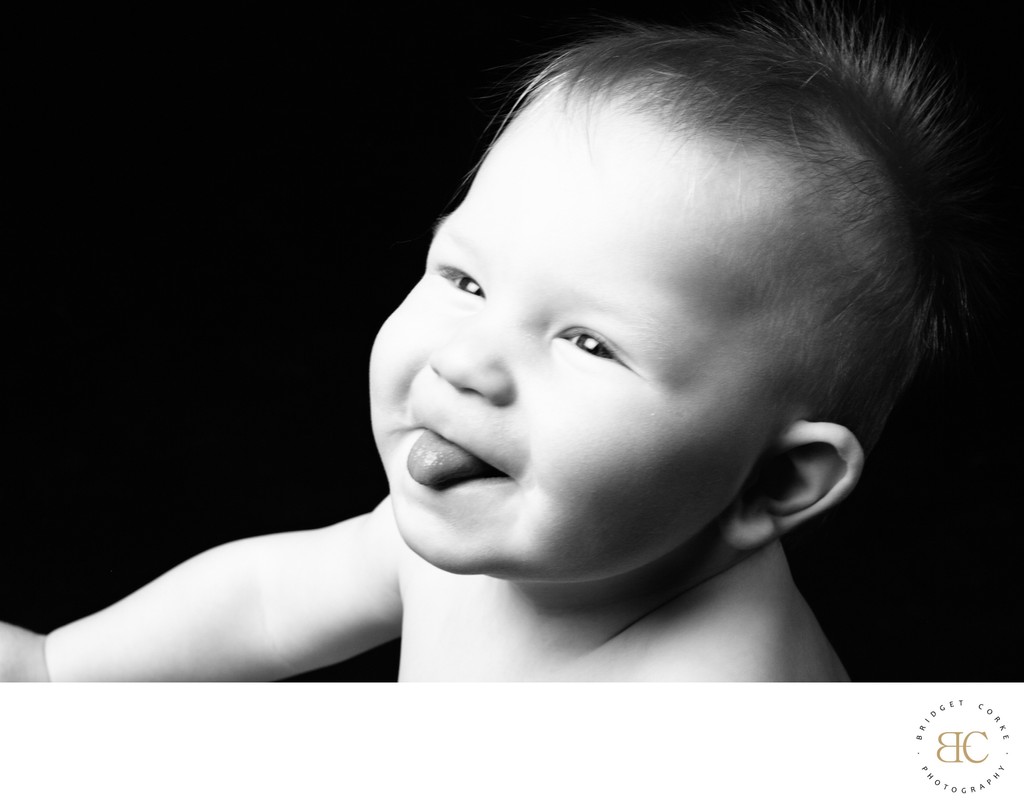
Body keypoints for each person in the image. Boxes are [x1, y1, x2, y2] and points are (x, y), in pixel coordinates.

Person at [0, 3, 995, 681]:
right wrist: (62, 671)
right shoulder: (501, 519)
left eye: (589, 343)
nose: (468, 363)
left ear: (774, 483)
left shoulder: (717, 712)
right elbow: (267, 598)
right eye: (464, 280)